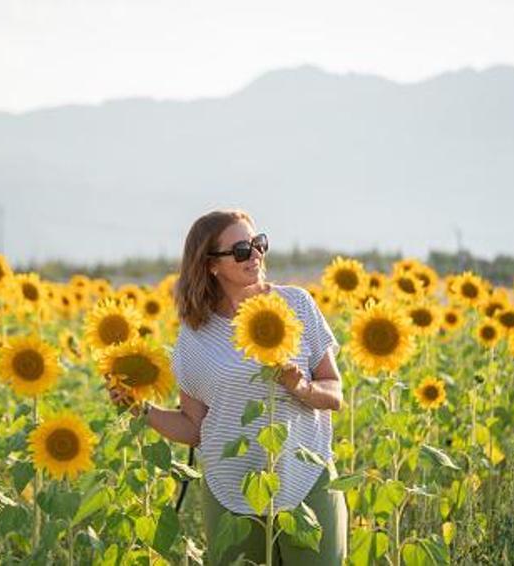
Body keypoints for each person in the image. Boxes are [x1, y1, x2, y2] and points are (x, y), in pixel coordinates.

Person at [107, 209, 348, 565]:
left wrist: (302, 387)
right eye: (240, 250)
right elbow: (195, 428)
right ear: (211, 265)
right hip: (231, 491)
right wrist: (140, 409)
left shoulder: (296, 304)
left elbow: (335, 392)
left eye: (258, 243)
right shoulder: (196, 337)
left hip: (305, 475)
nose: (255, 255)